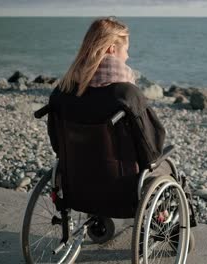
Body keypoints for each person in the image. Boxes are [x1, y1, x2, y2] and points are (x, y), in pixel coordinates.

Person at [46, 17, 171, 217]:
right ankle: (165, 223)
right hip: (121, 189)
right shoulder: (126, 94)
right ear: (112, 49)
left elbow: (57, 144)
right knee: (165, 167)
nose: (128, 56)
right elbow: (150, 147)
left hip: (77, 184)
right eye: (126, 49)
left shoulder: (63, 91)